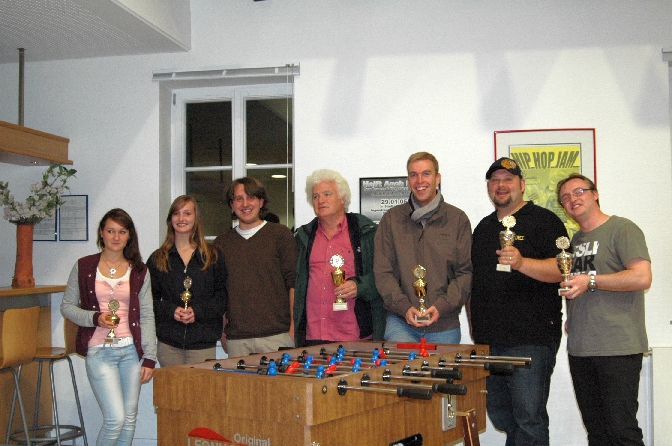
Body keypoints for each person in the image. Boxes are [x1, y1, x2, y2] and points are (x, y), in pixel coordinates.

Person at [469, 157, 567, 445]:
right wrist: (475, 328)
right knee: (501, 415)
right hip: (489, 340)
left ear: (522, 184)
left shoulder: (545, 221)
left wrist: (522, 262)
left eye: (508, 179)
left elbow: (562, 270)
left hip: (531, 338)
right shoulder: (484, 228)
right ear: (489, 187)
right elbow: (475, 281)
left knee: (529, 418)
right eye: (495, 180)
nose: (501, 185)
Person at [557, 173, 651, 446]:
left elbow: (642, 277)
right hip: (581, 348)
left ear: (595, 194)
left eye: (579, 192)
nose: (572, 199)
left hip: (617, 346)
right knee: (597, 433)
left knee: (622, 431)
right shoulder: (574, 241)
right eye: (565, 197)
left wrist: (591, 281)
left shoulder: (622, 228)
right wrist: (571, 313)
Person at [61, 208, 156, 446]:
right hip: (99, 351)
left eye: (122, 231)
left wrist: (150, 357)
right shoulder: (83, 266)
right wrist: (95, 318)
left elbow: (146, 314)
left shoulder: (140, 270)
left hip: (131, 352)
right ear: (101, 233)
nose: (116, 237)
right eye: (111, 231)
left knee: (129, 419)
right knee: (115, 419)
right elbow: (67, 307)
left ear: (129, 235)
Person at [373, 152, 472, 343]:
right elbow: (383, 272)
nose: (420, 181)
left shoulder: (458, 219)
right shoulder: (391, 220)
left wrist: (442, 306)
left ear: (437, 178)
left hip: (444, 325)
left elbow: (465, 273)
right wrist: (403, 307)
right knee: (402, 364)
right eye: (413, 175)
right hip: (401, 323)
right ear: (408, 181)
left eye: (426, 174)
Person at [294, 169, 386, 346]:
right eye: (315, 196)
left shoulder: (366, 233)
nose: (320, 200)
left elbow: (385, 276)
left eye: (327, 194)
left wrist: (360, 286)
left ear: (343, 198)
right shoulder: (303, 237)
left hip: (353, 335)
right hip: (313, 334)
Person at [213, 177, 298, 357]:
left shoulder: (280, 235)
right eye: (239, 199)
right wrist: (223, 329)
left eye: (251, 197)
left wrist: (293, 327)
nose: (245, 204)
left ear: (261, 202)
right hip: (237, 339)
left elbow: (294, 284)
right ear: (232, 205)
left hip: (277, 336)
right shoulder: (222, 243)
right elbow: (220, 290)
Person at [147, 195, 226, 367]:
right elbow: (147, 300)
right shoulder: (158, 258)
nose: (181, 218)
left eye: (187, 213)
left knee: (199, 386)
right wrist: (171, 311)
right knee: (172, 386)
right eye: (176, 213)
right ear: (170, 219)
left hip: (203, 342)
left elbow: (222, 298)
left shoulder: (212, 256)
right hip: (169, 344)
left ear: (196, 218)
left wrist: (198, 311)